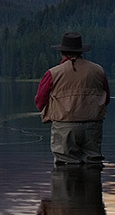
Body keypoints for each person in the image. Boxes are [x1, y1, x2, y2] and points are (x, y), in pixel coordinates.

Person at [34, 32, 110, 165]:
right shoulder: (98, 70)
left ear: (62, 52)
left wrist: (46, 111)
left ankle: (67, 184)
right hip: (93, 125)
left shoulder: (53, 73)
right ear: (81, 51)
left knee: (66, 165)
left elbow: (40, 100)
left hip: (64, 126)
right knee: (93, 164)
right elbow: (107, 98)